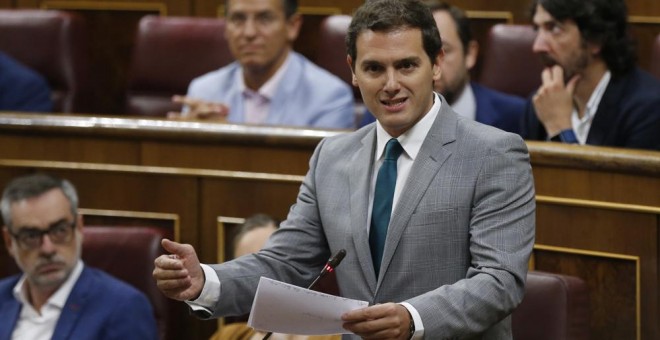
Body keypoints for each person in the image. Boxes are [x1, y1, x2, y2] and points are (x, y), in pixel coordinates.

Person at [153, 0, 535, 339]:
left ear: (435, 65)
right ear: (353, 70)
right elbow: (285, 262)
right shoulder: (331, 157)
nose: (391, 85)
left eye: (406, 66)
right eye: (374, 68)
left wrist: (413, 318)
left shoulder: (494, 153)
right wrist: (205, 280)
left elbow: (499, 280)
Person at [0, 174, 157, 340]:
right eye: (31, 236)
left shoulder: (124, 307)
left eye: (60, 231)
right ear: (10, 242)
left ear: (79, 228)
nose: (47, 249)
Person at [168, 0, 356, 130]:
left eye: (264, 19)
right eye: (238, 19)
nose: (249, 32)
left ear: (292, 26)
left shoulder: (329, 98)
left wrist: (224, 139)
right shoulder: (204, 91)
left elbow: (324, 182)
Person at [359, 1, 526, 134]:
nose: (430, 69)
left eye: (443, 51)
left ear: (470, 54)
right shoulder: (381, 112)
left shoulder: (515, 115)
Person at [520, 0, 660, 150]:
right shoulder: (541, 102)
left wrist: (560, 130)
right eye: (537, 29)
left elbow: (594, 175)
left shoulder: (648, 109)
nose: (537, 46)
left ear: (595, 39)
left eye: (554, 28)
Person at [210, 214, 340, 340]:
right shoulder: (229, 335)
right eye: (248, 273)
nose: (259, 281)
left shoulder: (338, 336)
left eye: (270, 266)